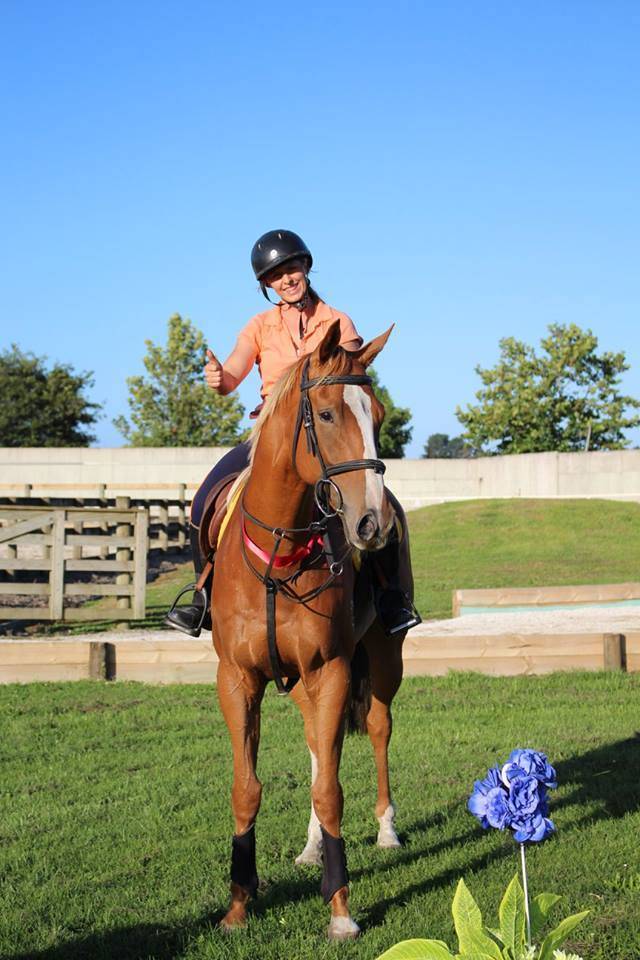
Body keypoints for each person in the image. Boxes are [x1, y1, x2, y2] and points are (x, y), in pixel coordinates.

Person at [165, 229, 421, 637]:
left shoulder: (337, 320)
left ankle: (389, 597)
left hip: (322, 435)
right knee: (206, 499)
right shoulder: (259, 326)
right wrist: (217, 378)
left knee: (381, 504)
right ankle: (201, 597)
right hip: (270, 436)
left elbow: (350, 369)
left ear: (306, 267)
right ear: (267, 284)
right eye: (275, 275)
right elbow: (233, 374)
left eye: (292, 268)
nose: (286, 279)